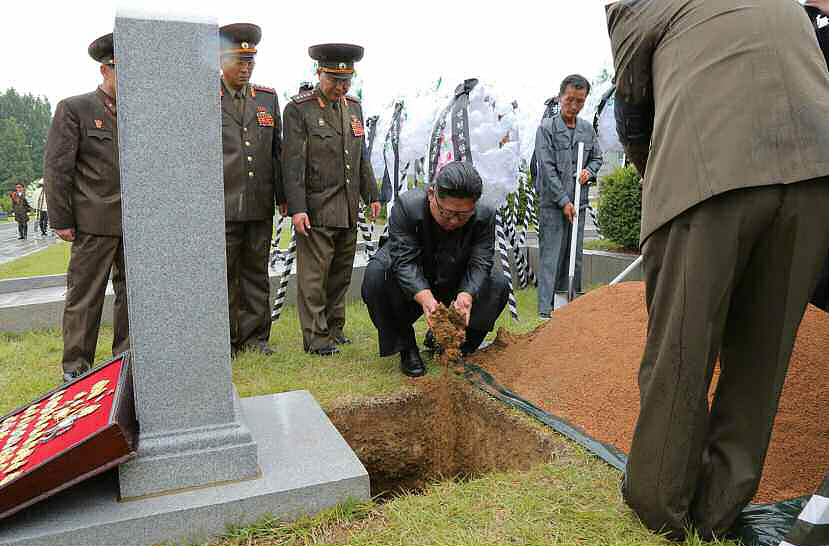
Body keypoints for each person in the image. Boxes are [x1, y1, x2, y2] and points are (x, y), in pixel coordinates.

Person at [607, 0, 829, 540]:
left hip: (711, 168)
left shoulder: (639, 5)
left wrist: (653, 180)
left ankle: (658, 513)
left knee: (680, 353)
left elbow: (633, 110)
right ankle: (717, 512)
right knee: (761, 356)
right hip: (816, 175)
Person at [361, 161, 509, 377]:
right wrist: (425, 299)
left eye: (462, 216)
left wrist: (466, 296)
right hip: (415, 266)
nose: (453, 221)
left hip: (456, 271)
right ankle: (406, 347)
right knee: (376, 275)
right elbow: (404, 262)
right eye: (446, 213)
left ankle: (457, 344)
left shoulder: (485, 214)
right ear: (432, 194)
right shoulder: (407, 206)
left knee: (497, 284)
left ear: (474, 206)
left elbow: (481, 261)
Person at [282, 43, 381, 356]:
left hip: (348, 207)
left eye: (346, 80)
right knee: (314, 277)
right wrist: (297, 209)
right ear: (318, 72)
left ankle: (335, 329)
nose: (341, 86)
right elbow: (293, 164)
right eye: (334, 79)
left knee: (340, 273)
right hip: (317, 208)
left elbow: (360, 155)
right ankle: (315, 338)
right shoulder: (299, 109)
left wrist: (372, 194)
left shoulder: (354, 106)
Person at [44, 32, 129, 382]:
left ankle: (127, 362)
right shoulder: (76, 108)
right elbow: (57, 167)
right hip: (93, 223)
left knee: (133, 299)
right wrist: (62, 219)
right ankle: (76, 369)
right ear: (104, 70)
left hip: (136, 224)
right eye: (120, 69)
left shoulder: (140, 113)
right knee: (85, 299)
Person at [219, 23, 284, 356]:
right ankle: (226, 340)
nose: (245, 68)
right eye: (238, 61)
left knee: (257, 273)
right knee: (224, 275)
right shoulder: (204, 98)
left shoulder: (267, 99)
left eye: (250, 62)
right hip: (222, 204)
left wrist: (284, 198)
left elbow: (277, 152)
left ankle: (255, 337)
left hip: (259, 202)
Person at [533, 74, 603, 318]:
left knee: (574, 257)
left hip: (579, 204)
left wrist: (589, 171)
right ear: (560, 96)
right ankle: (545, 312)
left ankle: (569, 309)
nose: (574, 106)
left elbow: (597, 157)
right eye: (570, 100)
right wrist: (563, 201)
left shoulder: (586, 129)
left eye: (580, 101)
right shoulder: (546, 129)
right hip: (553, 205)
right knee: (551, 256)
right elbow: (547, 169)